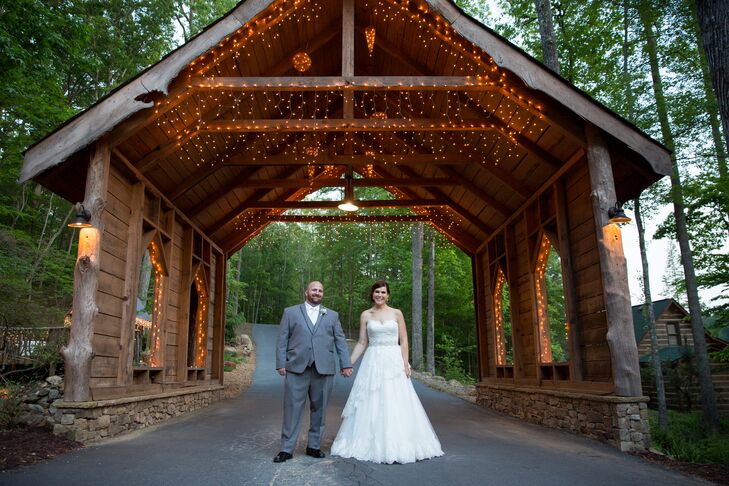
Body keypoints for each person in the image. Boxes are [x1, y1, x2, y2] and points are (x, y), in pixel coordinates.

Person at [331, 280, 443, 464]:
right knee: (371, 399)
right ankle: (369, 441)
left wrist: (405, 363)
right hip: (373, 360)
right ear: (372, 294)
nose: (380, 295)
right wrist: (348, 363)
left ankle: (399, 443)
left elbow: (404, 340)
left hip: (393, 359)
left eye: (383, 292)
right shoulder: (366, 315)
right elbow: (361, 342)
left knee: (396, 399)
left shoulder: (396, 313)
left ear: (388, 295)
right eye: (377, 292)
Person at [273, 281, 353, 463]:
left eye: (320, 290)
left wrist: (345, 364)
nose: (317, 293)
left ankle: (314, 446)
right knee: (292, 409)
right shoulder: (290, 312)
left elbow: (340, 341)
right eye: (314, 290)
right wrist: (281, 363)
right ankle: (286, 449)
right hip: (296, 367)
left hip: (323, 369)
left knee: (320, 408)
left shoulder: (332, 315)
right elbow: (282, 339)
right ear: (306, 292)